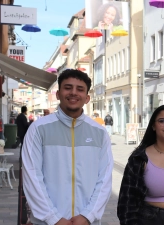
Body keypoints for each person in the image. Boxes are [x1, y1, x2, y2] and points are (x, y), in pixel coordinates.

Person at [22, 69, 113, 225]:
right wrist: (53, 218)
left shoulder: (99, 133)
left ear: (87, 98)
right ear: (58, 94)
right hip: (46, 222)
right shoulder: (38, 129)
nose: (73, 93)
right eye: (68, 87)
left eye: (80, 89)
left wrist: (88, 216)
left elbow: (104, 179)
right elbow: (32, 176)